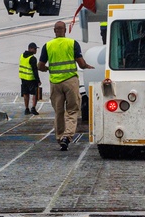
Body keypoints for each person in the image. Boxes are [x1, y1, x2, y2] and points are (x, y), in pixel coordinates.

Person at [38, 20, 94, 150]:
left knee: (58, 112)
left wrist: (47, 69)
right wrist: (86, 65)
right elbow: (80, 63)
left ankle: (59, 137)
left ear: (54, 31)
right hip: (70, 81)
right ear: (65, 30)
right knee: (72, 109)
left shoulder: (48, 45)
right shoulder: (72, 43)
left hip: (55, 83)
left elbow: (40, 66)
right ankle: (67, 136)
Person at [19, 42, 41, 116]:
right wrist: (38, 80)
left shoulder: (22, 55)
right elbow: (35, 70)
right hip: (31, 79)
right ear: (30, 49)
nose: (36, 50)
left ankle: (26, 109)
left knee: (26, 93)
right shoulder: (32, 58)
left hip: (23, 78)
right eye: (35, 49)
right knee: (35, 93)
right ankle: (33, 108)